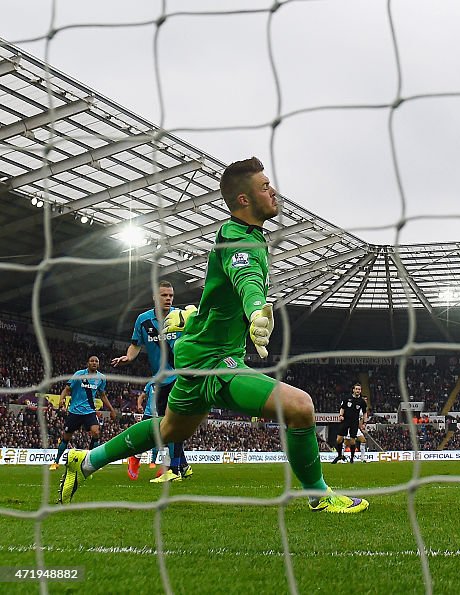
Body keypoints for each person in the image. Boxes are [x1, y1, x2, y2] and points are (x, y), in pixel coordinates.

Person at [58, 157, 367, 513]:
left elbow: (218, 298)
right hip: (214, 361)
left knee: (172, 430)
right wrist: (255, 311)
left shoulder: (245, 236)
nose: (273, 190)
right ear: (244, 200)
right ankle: (319, 495)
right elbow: (246, 279)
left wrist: (191, 317)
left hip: (197, 355)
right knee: (300, 407)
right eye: (265, 186)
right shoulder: (237, 238)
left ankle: (84, 461)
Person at [111, 280, 192, 482]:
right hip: (160, 380)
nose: (168, 299)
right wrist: (128, 358)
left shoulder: (180, 317)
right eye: (164, 295)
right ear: (155, 297)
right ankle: (172, 464)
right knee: (159, 424)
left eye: (171, 296)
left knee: (174, 423)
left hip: (180, 376)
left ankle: (172, 469)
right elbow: (135, 345)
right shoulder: (143, 320)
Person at [52, 356, 117, 470]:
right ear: (88, 363)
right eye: (92, 361)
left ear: (99, 364)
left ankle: (92, 462)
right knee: (66, 437)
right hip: (75, 411)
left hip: (90, 411)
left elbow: (102, 395)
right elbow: (67, 389)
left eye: (96, 361)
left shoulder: (101, 378)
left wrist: (111, 409)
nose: (94, 363)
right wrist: (61, 399)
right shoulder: (79, 374)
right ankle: (56, 461)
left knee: (96, 432)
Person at [339, 383, 368, 464]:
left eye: (359, 389)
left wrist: (363, 425)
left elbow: (362, 417)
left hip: (355, 425)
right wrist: (341, 415)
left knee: (363, 440)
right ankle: (341, 457)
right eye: (357, 389)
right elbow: (343, 408)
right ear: (353, 390)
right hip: (349, 424)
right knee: (346, 442)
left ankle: (362, 458)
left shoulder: (361, 406)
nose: (365, 401)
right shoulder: (350, 400)